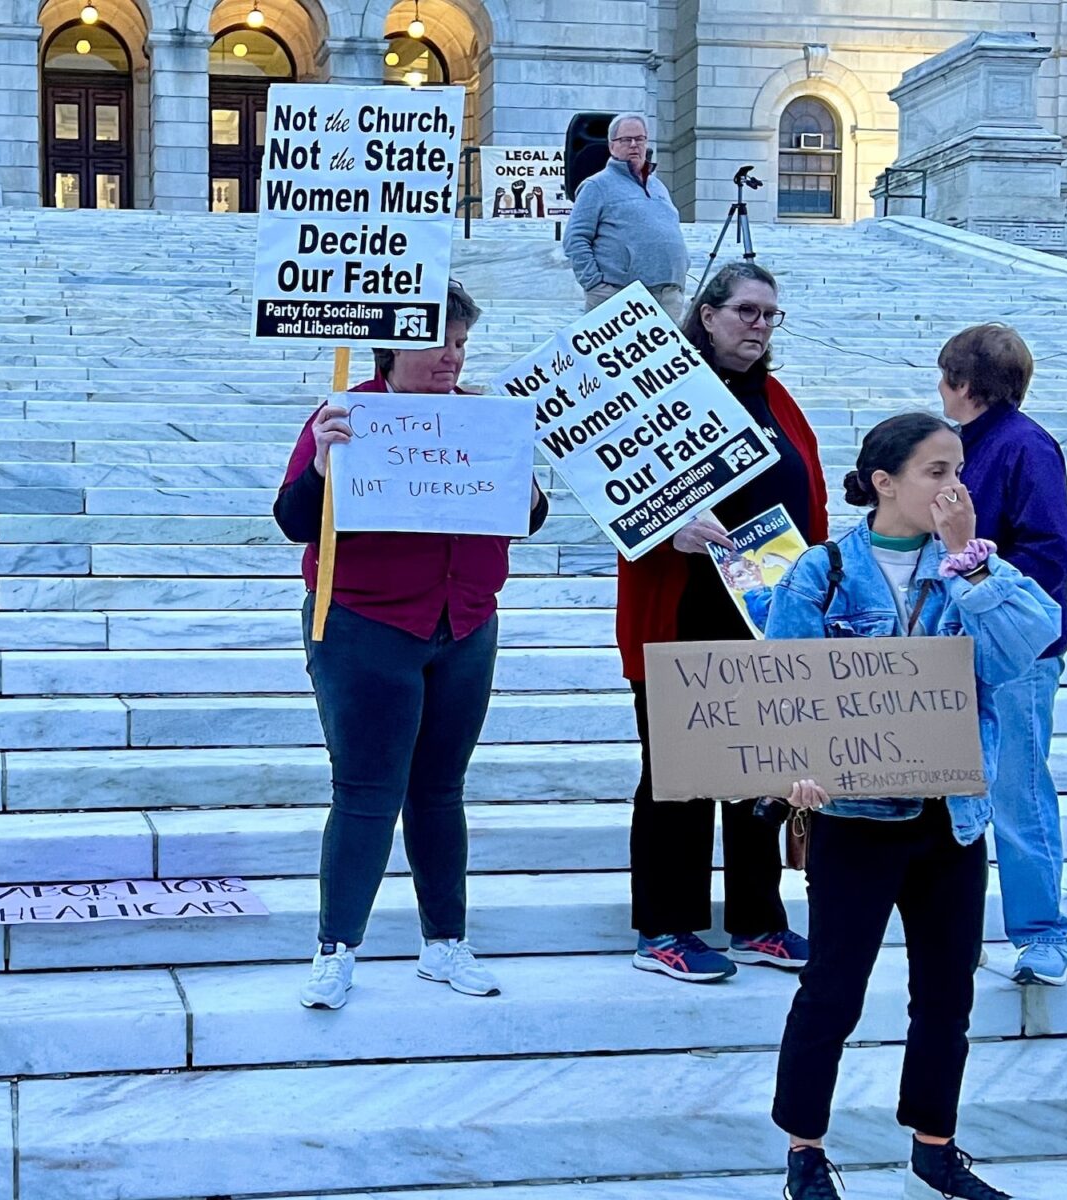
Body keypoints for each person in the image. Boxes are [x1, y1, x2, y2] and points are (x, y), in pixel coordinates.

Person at [766, 412, 1059, 1200]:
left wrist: (970, 565)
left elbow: (1031, 639)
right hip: (855, 820)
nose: (953, 486)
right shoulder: (822, 571)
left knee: (946, 991)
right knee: (833, 987)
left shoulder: (971, 567)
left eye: (958, 470)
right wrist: (796, 770)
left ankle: (934, 1145)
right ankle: (804, 1149)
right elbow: (783, 691)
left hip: (951, 815)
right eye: (936, 471)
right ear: (885, 481)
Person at [272, 281, 552, 1010]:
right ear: (393, 344)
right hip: (367, 624)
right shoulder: (345, 412)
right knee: (366, 790)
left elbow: (528, 513)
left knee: (441, 788)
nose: (452, 358)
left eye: (461, 343)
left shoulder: (484, 417)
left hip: (464, 622)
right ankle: (337, 948)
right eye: (439, 342)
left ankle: (444, 942)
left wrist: (527, 489)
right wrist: (324, 468)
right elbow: (295, 520)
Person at [617, 261, 827, 982]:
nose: (760, 325)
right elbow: (620, 500)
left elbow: (811, 500)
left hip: (766, 619)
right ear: (707, 315)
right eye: (746, 311)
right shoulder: (662, 395)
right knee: (678, 776)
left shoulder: (777, 398)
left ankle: (756, 922)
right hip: (681, 614)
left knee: (762, 772)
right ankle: (664, 929)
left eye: (771, 315)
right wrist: (662, 531)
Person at [939, 324, 1067, 988]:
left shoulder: (1026, 446)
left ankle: (1044, 933)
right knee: (957, 796)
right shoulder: (960, 449)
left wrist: (988, 589)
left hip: (1019, 653)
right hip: (957, 648)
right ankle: (959, 932)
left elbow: (1054, 551)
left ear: (964, 385)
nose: (940, 389)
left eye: (944, 377)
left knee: (1018, 792)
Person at [563, 113, 690, 321]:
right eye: (626, 139)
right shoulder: (596, 186)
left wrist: (682, 265)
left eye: (640, 139)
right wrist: (595, 285)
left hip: (668, 298)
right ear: (612, 146)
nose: (634, 145)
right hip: (619, 296)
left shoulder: (658, 186)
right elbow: (575, 238)